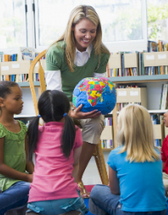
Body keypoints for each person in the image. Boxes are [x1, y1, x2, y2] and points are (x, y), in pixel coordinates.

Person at [45, 4, 110, 197]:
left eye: (92, 31)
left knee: (97, 122)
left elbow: (101, 88)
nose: (88, 36)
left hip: (86, 105)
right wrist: (70, 113)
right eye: (83, 31)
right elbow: (54, 94)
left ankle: (74, 179)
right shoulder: (56, 52)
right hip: (60, 106)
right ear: (72, 28)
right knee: (58, 125)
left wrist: (97, 106)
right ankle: (60, 179)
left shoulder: (101, 53)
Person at [89, 104, 167, 215]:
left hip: (129, 211)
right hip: (160, 211)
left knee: (96, 190)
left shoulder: (115, 154)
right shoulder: (157, 154)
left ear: (122, 128)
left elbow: (115, 190)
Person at [26, 90, 88, 215]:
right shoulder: (75, 131)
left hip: (37, 199)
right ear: (68, 111)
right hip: (66, 198)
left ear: (41, 115)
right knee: (82, 208)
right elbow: (76, 164)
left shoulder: (35, 131)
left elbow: (28, 161)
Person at [0, 80, 34, 208]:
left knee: (36, 187)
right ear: (1, 102)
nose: (22, 102)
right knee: (28, 188)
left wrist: (36, 175)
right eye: (17, 98)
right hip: (0, 180)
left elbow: (28, 160)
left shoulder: (22, 127)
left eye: (21, 98)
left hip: (19, 180)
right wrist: (27, 178)